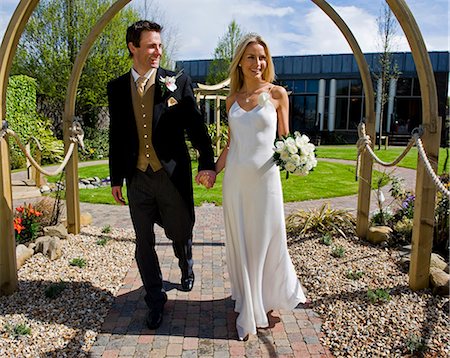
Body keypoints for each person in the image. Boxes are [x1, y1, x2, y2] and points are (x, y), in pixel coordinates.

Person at [107, 20, 216, 330]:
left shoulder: (177, 81)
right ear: (133, 47)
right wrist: (116, 178)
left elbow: (196, 127)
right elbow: (117, 134)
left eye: (159, 45)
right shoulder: (116, 88)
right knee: (143, 242)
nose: (158, 51)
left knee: (180, 231)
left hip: (171, 175)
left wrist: (206, 162)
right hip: (137, 177)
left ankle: (186, 260)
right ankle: (154, 300)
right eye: (151, 45)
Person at [215, 33, 306, 340]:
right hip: (236, 183)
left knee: (267, 239)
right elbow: (231, 145)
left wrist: (298, 157)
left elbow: (285, 140)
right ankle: (249, 302)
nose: (258, 63)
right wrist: (213, 172)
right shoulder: (231, 100)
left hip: (267, 182)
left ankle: (266, 298)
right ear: (240, 61)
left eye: (263, 57)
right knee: (242, 241)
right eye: (252, 57)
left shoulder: (278, 94)